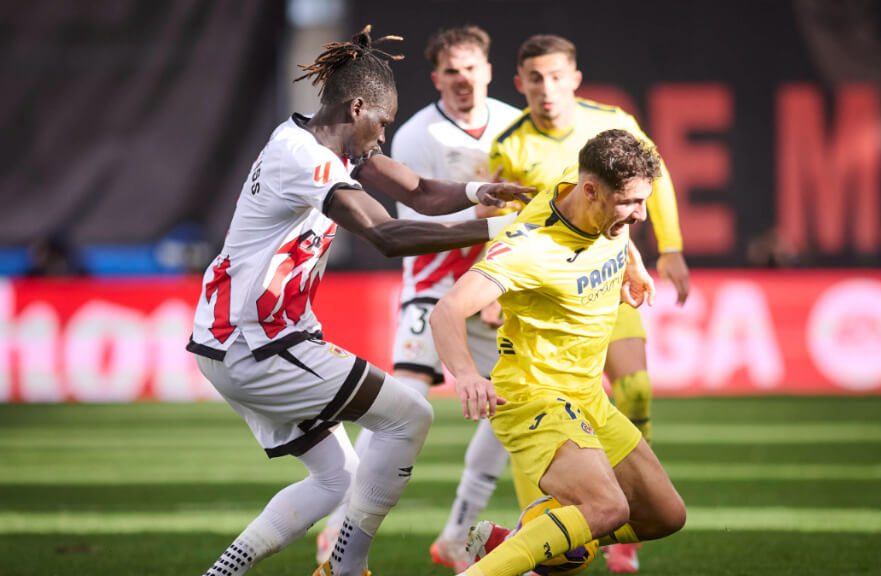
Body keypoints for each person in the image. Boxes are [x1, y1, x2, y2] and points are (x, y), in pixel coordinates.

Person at [186, 26, 530, 576]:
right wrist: (499, 230)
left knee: (337, 478)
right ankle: (346, 569)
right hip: (257, 343)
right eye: (382, 123)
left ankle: (222, 573)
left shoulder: (320, 140)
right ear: (356, 108)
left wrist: (475, 193)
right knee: (410, 416)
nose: (382, 137)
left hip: (239, 339)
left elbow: (417, 191)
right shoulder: (306, 158)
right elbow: (387, 234)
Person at [431, 129, 687, 576]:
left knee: (665, 516)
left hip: (588, 397)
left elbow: (615, 220)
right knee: (607, 508)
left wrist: (631, 260)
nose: (641, 214)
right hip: (534, 398)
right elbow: (446, 311)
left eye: (644, 201)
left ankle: (523, 539)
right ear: (591, 192)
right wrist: (468, 375)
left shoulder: (585, 184)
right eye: (630, 203)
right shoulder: (528, 247)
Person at [313, 25, 522, 572]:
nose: (462, 79)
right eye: (452, 71)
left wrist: (503, 278)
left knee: (514, 403)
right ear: (437, 78)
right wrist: (486, 218)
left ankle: (456, 533)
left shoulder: (514, 124)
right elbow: (418, 217)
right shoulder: (414, 134)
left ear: (488, 71)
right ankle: (339, 525)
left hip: (495, 286)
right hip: (434, 286)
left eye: (471, 68)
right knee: (404, 403)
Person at [487, 33, 691, 573]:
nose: (547, 88)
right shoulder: (510, 145)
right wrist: (495, 287)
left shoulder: (612, 123)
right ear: (520, 84)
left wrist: (663, 250)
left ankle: (601, 512)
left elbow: (649, 186)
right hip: (547, 289)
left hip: (607, 281)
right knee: (543, 430)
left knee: (636, 387)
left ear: (575, 79)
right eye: (536, 78)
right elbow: (507, 224)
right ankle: (550, 529)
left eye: (556, 76)